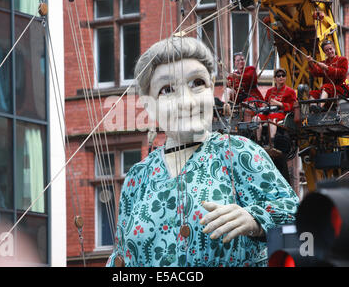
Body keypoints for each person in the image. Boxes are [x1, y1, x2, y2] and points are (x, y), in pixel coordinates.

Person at [106, 37, 299, 267]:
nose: (186, 102)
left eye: (197, 83)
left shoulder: (237, 153)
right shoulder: (137, 178)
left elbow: (299, 216)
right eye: (168, 90)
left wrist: (256, 220)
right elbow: (121, 257)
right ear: (149, 105)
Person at [306, 40, 349, 110]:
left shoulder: (342, 60)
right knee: (313, 93)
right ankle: (313, 108)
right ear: (324, 52)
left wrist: (326, 68)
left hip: (340, 88)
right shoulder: (324, 62)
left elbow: (341, 73)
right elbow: (317, 72)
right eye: (326, 50)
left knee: (326, 87)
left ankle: (320, 107)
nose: (329, 51)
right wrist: (311, 63)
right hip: (327, 90)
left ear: (334, 48)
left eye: (330, 49)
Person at [253, 68, 297, 149]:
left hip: (281, 113)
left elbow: (292, 106)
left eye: (283, 75)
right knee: (256, 118)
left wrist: (279, 103)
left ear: (286, 77)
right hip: (268, 112)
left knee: (272, 119)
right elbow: (265, 103)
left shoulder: (290, 91)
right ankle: (258, 142)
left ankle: (272, 143)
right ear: (275, 78)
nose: (281, 77)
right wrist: (263, 105)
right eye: (278, 75)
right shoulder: (270, 91)